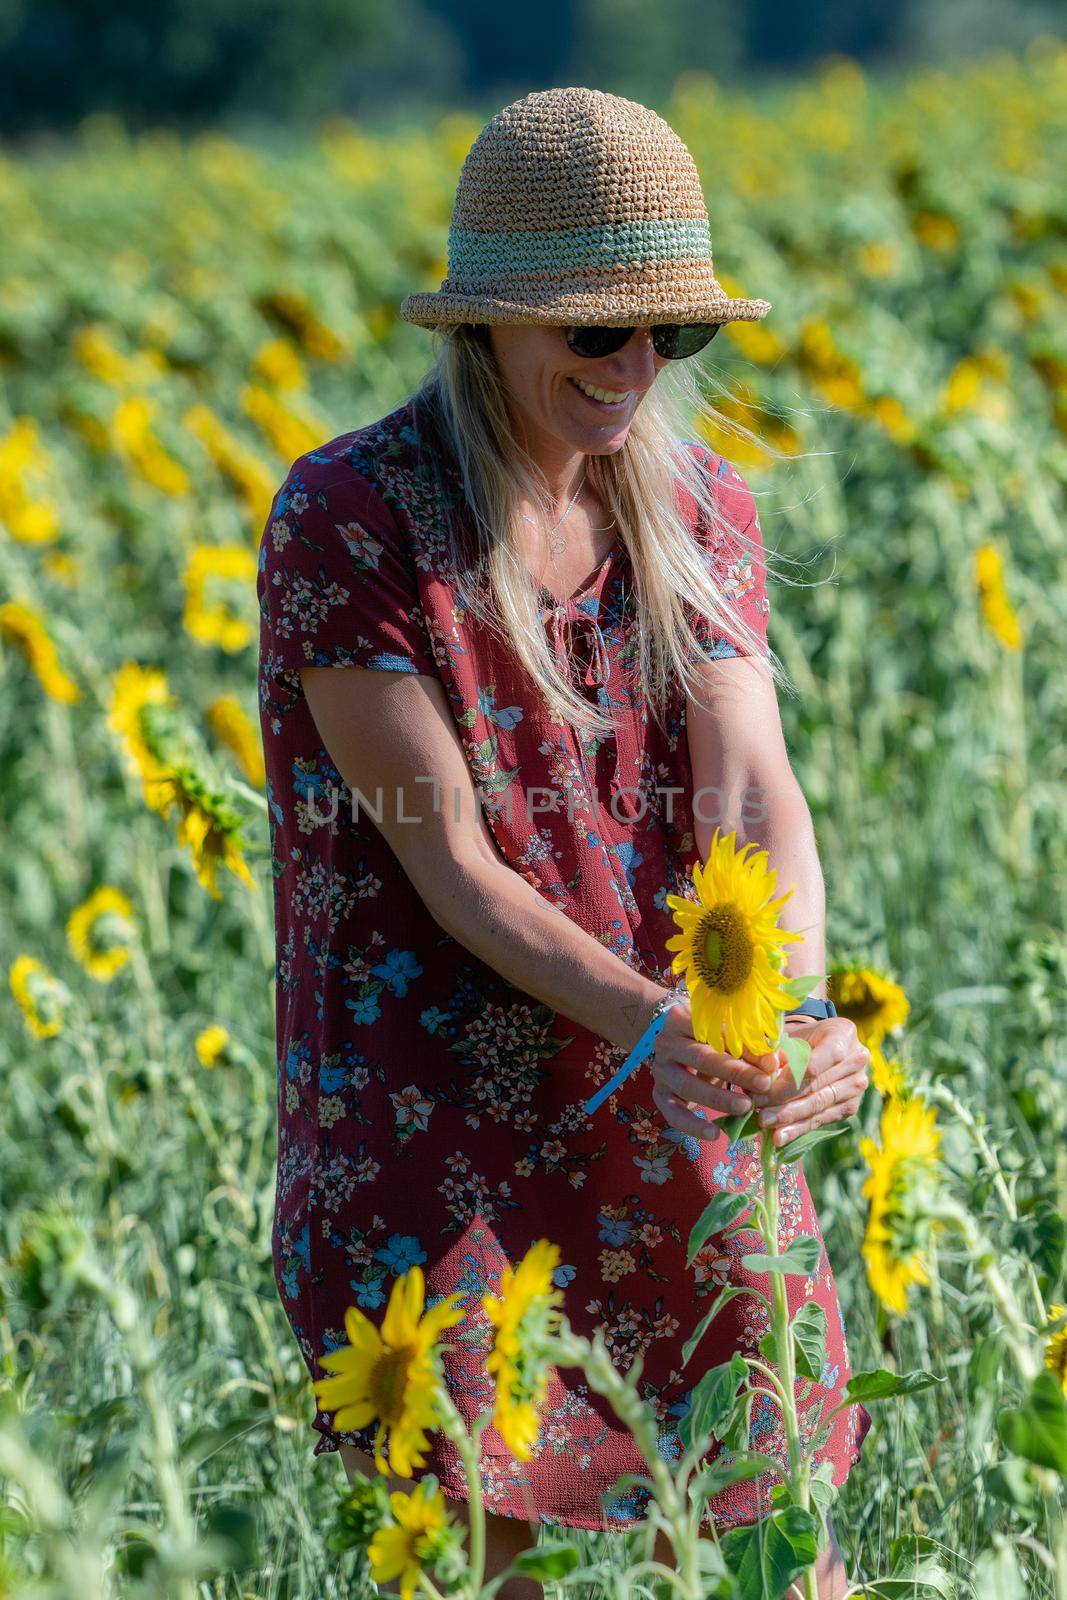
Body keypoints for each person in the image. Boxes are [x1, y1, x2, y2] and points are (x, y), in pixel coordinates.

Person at [257, 85, 872, 1599]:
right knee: (484, 1546)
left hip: (671, 1069)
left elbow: (753, 797)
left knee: (781, 1505)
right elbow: (441, 851)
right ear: (493, 327)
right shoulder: (357, 519)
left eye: (671, 334)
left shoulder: (697, 507)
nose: (638, 369)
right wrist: (660, 1023)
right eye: (600, 334)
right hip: (439, 1109)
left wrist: (784, 1012)